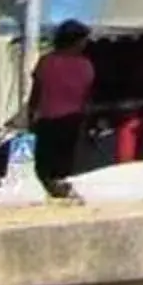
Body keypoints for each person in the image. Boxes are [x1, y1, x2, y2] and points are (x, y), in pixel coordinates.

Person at [28, 19, 94, 194]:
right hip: (72, 118)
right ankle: (60, 188)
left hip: (47, 118)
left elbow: (36, 92)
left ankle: (50, 188)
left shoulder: (46, 61)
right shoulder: (85, 65)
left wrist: (31, 114)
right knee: (65, 160)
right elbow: (86, 96)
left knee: (44, 162)